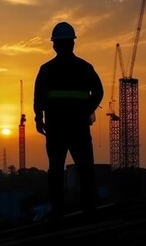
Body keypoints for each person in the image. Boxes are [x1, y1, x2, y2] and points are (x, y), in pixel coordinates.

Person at [33, 21, 104, 220]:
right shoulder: (85, 68)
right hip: (78, 128)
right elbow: (98, 91)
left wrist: (39, 119)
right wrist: (86, 110)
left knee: (55, 170)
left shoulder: (46, 70)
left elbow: (38, 97)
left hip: (56, 129)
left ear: (54, 45)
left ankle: (58, 211)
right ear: (72, 43)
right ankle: (90, 209)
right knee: (85, 169)